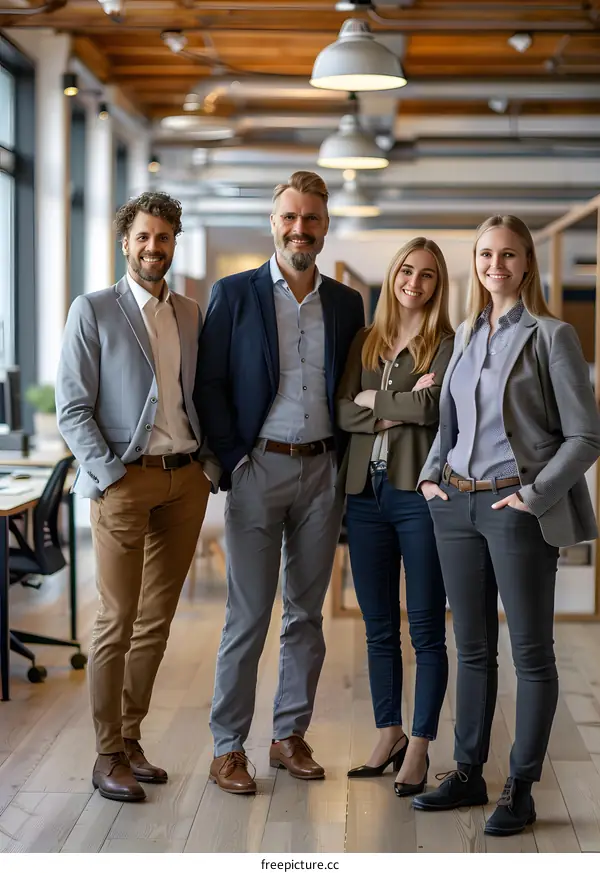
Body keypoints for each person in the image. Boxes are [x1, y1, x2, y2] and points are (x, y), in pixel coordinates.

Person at [413, 214, 600, 836]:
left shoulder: (552, 336)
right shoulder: (464, 333)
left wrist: (534, 495)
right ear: (476, 261)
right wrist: (431, 475)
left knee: (530, 653)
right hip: (455, 507)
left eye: (509, 255)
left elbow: (585, 436)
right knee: (471, 649)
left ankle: (520, 787)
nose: (497, 265)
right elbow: (451, 421)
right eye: (486, 254)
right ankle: (468, 773)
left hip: (514, 511)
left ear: (527, 264)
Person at [194, 171, 365, 794]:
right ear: (273, 223)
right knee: (247, 615)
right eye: (290, 218)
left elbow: (349, 388)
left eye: (312, 219)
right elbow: (208, 383)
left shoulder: (348, 304)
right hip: (256, 468)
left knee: (306, 615)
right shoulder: (233, 294)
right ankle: (227, 747)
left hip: (323, 469)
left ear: (325, 225)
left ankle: (288, 735)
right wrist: (234, 459)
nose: (300, 229)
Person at [56, 192, 218, 803]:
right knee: (115, 620)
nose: (155, 248)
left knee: (156, 621)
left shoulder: (192, 313)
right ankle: (105, 754)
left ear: (175, 243)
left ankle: (130, 738)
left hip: (184, 481)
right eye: (144, 237)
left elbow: (197, 392)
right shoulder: (93, 309)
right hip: (124, 482)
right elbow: (74, 407)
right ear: (126, 242)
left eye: (165, 238)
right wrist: (111, 475)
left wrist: (205, 463)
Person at [336, 238, 453, 797]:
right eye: (407, 271)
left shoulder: (446, 344)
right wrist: (393, 411)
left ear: (438, 284)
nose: (415, 282)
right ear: (393, 275)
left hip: (417, 497)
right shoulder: (365, 340)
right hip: (365, 496)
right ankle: (389, 735)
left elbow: (434, 411)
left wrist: (372, 404)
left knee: (427, 630)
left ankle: (422, 749)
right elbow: (339, 411)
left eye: (427, 275)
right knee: (378, 627)